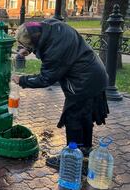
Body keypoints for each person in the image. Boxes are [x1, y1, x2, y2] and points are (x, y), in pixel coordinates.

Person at [11, 20, 109, 170]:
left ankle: (72, 160)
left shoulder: (54, 51)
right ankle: (84, 152)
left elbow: (46, 79)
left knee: (73, 118)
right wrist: (30, 49)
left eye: (28, 45)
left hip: (83, 82)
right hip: (94, 73)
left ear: (34, 41)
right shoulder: (53, 26)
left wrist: (22, 79)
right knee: (84, 117)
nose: (26, 48)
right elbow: (40, 40)